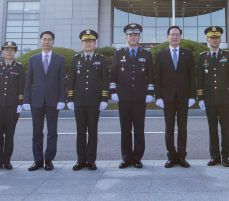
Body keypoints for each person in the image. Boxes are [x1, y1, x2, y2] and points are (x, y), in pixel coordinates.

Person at [110, 23, 155, 169]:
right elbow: (113, 75)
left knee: (139, 128)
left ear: (139, 37)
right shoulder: (119, 53)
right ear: (126, 37)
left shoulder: (146, 54)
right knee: (125, 128)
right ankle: (126, 158)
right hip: (123, 97)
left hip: (140, 97)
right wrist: (113, 91)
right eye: (130, 35)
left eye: (135, 35)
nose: (133, 37)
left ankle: (137, 158)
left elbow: (150, 75)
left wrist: (150, 93)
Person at [23, 31, 66, 171]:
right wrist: (26, 100)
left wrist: (62, 99)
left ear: (53, 42)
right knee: (37, 131)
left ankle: (49, 159)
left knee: (52, 131)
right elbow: (28, 80)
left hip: (53, 101)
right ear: (40, 41)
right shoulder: (33, 59)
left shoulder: (59, 59)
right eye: (44, 39)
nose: (47, 42)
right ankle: (37, 160)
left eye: (49, 40)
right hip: (36, 100)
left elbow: (62, 82)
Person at [67, 30, 109, 171]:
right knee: (80, 131)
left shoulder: (101, 59)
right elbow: (71, 80)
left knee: (92, 131)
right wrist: (70, 98)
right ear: (82, 43)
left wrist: (104, 98)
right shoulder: (75, 59)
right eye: (86, 42)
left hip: (94, 100)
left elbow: (105, 80)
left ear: (95, 44)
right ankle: (80, 160)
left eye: (91, 42)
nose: (88, 44)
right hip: (79, 100)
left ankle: (91, 160)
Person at [154, 26, 196, 168]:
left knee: (183, 127)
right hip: (168, 97)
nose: (175, 37)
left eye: (177, 35)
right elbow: (157, 77)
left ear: (180, 37)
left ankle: (182, 156)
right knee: (169, 127)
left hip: (184, 97)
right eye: (172, 34)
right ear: (167, 37)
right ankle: (171, 156)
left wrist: (192, 96)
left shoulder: (187, 53)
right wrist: (158, 97)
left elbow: (192, 76)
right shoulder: (161, 54)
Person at [197, 26, 229, 167]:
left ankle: (226, 156)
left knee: (225, 128)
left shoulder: (228, 55)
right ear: (207, 40)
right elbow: (200, 79)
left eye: (216, 38)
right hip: (209, 99)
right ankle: (215, 156)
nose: (214, 40)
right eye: (211, 38)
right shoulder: (202, 57)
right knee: (212, 129)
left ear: (220, 39)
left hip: (225, 99)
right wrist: (200, 98)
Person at [0, 41, 25, 171]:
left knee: (9, 134)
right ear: (2, 52)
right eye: (7, 50)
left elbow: (21, 87)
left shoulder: (19, 67)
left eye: (12, 50)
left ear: (15, 52)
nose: (9, 52)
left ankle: (7, 161)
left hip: (12, 106)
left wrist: (20, 103)